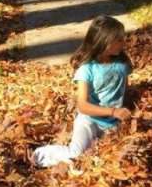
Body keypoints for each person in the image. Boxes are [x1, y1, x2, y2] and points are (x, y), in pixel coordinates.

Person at [32, 15, 132, 167]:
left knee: (109, 158)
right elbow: (83, 106)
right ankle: (41, 154)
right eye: (118, 40)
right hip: (89, 120)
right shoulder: (87, 70)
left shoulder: (122, 64)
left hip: (113, 124)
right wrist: (113, 111)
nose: (123, 43)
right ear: (104, 42)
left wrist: (125, 112)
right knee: (76, 155)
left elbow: (124, 91)